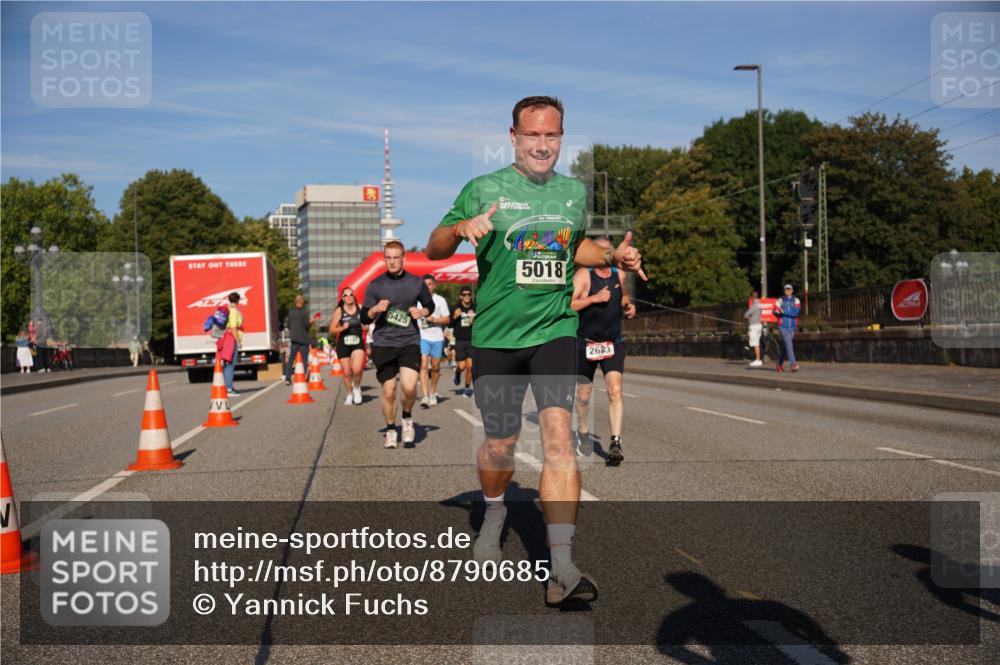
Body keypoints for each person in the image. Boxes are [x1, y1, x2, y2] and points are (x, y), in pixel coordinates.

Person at [425, 95, 645, 606]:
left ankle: (561, 566)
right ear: (514, 136)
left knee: (558, 439)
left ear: (561, 138)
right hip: (497, 335)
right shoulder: (483, 189)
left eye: (552, 136)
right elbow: (433, 246)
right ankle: (496, 509)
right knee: (500, 445)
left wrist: (611, 253)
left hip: (555, 329)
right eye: (532, 135)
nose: (542, 145)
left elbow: (575, 247)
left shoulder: (572, 193)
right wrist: (460, 229)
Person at [571, 235, 636, 466]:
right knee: (583, 396)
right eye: (602, 252)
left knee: (615, 390)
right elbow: (569, 304)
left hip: (613, 343)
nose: (607, 257)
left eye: (610, 252)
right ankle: (583, 432)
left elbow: (624, 296)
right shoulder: (583, 276)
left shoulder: (620, 275)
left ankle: (615, 442)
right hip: (585, 343)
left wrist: (628, 306)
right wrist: (594, 298)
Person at [361, 241, 433, 449]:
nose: (391, 262)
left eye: (395, 257)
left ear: (403, 258)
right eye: (388, 258)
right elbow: (364, 318)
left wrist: (422, 313)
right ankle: (391, 429)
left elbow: (429, 305)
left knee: (409, 387)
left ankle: (407, 418)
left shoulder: (415, 282)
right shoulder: (375, 285)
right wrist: (375, 310)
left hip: (409, 340)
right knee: (389, 391)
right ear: (384, 259)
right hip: (384, 343)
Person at [328, 287, 366, 406]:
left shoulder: (360, 308)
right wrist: (342, 328)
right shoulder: (339, 311)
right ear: (342, 298)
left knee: (357, 369)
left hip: (357, 342)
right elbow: (331, 330)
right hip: (343, 343)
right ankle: (349, 394)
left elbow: (366, 324)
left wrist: (365, 327)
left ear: (354, 296)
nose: (348, 297)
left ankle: (357, 388)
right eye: (345, 295)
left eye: (351, 294)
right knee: (347, 372)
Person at [418, 274, 451, 408]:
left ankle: (433, 392)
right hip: (422, 336)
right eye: (424, 285)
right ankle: (425, 396)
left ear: (434, 285)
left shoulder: (440, 300)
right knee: (424, 365)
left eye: (430, 284)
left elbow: (447, 319)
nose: (427, 287)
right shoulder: (417, 301)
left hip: (437, 337)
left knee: (436, 367)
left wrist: (435, 320)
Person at [284, 294, 319, 385]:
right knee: (304, 359)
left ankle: (287, 378)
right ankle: (302, 377)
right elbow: (306, 326)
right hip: (303, 339)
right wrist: (311, 322)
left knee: (291, 359)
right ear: (302, 302)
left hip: (294, 338)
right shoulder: (304, 312)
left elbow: (288, 325)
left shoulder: (291, 312)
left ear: (296, 302)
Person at [451, 287, 477, 397]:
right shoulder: (456, 308)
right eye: (464, 294)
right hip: (460, 340)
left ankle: (467, 388)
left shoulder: (475, 307)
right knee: (461, 366)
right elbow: (449, 324)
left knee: (470, 366)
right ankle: (457, 373)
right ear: (461, 296)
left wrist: (474, 321)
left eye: (469, 294)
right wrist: (454, 316)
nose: (467, 297)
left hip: (472, 340)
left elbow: (481, 322)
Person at [774, 283, 801, 372]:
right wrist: (777, 312)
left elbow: (795, 313)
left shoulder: (796, 300)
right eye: (786, 289)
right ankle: (793, 364)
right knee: (789, 344)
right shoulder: (780, 300)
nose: (788, 291)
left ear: (792, 291)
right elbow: (775, 311)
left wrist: (783, 311)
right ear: (784, 291)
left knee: (786, 347)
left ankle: (778, 364)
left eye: (789, 289)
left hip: (792, 327)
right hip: (783, 326)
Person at [744, 290, 763, 368]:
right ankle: (757, 359)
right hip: (759, 325)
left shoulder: (754, 305)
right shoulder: (760, 304)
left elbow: (745, 315)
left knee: (755, 343)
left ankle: (758, 360)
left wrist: (749, 318)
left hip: (753, 326)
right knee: (757, 343)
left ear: (752, 297)